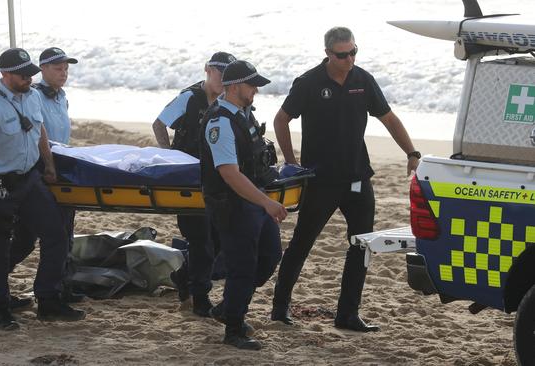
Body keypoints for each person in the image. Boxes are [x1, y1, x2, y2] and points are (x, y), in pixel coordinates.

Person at [270, 26, 420, 332]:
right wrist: (292, 161)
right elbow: (281, 119)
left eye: (353, 52)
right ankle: (279, 307)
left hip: (357, 177)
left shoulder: (362, 80)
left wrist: (411, 152)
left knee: (361, 245)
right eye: (342, 54)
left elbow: (388, 118)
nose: (349, 59)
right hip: (321, 180)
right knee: (302, 243)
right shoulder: (309, 82)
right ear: (328, 54)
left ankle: (348, 314)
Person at [0, 48, 85, 331]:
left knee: (55, 234)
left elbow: (39, 130)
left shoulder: (31, 96)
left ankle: (48, 300)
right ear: (5, 75)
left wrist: (49, 164)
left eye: (31, 73)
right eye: (22, 75)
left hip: (30, 179)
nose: (29, 79)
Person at [200, 60, 287, 350]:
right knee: (242, 268)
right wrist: (267, 203)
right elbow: (229, 173)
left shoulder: (242, 114)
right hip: (234, 206)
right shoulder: (220, 122)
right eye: (252, 86)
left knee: (270, 255)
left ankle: (227, 308)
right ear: (235, 87)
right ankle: (233, 328)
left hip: (253, 199)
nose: (256, 91)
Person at [152, 51, 235, 316]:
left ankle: (182, 276)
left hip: (217, 179)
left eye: (228, 73)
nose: (223, 78)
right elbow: (159, 124)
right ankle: (200, 298)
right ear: (208, 69)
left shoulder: (228, 101)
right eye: (219, 71)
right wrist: (170, 156)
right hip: (187, 180)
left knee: (218, 239)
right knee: (201, 241)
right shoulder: (189, 98)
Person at [10, 47, 83, 303]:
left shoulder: (62, 96)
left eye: (66, 69)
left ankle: (62, 284)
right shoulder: (34, 96)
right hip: (41, 167)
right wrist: (48, 165)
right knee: (31, 235)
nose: (63, 73)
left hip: (62, 164)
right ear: (42, 69)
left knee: (66, 229)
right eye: (57, 68)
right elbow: (37, 135)